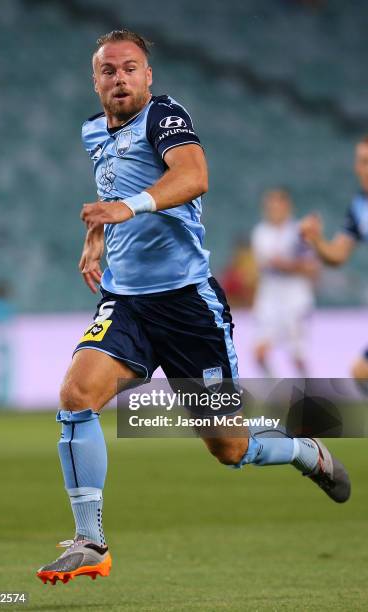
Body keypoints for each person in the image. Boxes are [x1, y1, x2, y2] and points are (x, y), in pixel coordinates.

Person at [37, 30, 350, 586]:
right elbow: (111, 191)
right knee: (75, 395)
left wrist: (126, 210)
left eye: (130, 68)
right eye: (109, 71)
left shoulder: (164, 116)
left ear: (148, 75)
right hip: (127, 303)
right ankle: (91, 541)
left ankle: (304, 451)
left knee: (229, 449)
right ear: (96, 80)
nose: (120, 79)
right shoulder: (93, 131)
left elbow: (193, 176)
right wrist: (96, 236)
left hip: (188, 307)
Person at [301, 135, 368, 384]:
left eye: (365, 161)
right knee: (361, 372)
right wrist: (316, 240)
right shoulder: (360, 205)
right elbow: (338, 255)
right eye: (359, 161)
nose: (358, 168)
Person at [251, 188, 318, 376]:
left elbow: (312, 268)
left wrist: (287, 264)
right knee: (260, 353)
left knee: (297, 356)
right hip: (270, 299)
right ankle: (277, 391)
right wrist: (295, 265)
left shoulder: (299, 232)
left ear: (287, 206)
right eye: (269, 206)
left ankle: (308, 392)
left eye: (277, 205)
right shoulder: (260, 233)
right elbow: (266, 264)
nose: (273, 210)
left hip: (295, 298)